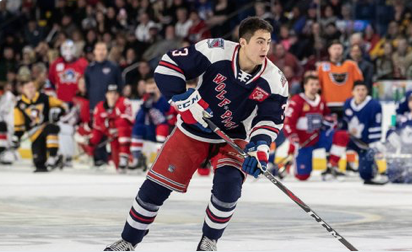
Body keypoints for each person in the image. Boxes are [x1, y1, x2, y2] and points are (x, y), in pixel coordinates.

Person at [104, 17, 288, 251]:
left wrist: (259, 147)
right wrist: (185, 101)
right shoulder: (215, 51)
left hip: (233, 137)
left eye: (268, 42)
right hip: (192, 131)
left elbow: (270, 119)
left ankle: (209, 241)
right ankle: (128, 240)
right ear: (242, 42)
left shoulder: (274, 79)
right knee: (156, 187)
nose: (265, 48)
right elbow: (167, 66)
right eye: (259, 41)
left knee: (229, 186)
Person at [325, 81, 385, 185]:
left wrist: (373, 143)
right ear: (352, 92)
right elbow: (344, 123)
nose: (360, 92)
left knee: (366, 175)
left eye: (363, 90)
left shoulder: (375, 105)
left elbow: (376, 125)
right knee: (339, 135)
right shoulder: (347, 103)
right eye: (358, 90)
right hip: (351, 140)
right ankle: (332, 166)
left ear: (367, 91)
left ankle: (372, 167)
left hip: (365, 144)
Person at [282, 75, 340, 181]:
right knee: (302, 176)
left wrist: (330, 120)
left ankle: (331, 167)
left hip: (317, 137)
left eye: (316, 84)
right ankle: (289, 167)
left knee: (340, 136)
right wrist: (293, 137)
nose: (314, 87)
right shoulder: (297, 101)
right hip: (303, 142)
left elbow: (328, 117)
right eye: (311, 84)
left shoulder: (321, 101)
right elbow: (288, 123)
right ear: (305, 86)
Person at [48, 40, 89, 167]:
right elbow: (50, 84)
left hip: (78, 103)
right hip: (60, 104)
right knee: (59, 127)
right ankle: (61, 154)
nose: (68, 52)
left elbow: (88, 83)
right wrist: (53, 102)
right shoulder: (56, 64)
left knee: (65, 126)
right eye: (65, 48)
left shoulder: (83, 63)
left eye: (70, 48)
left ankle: (67, 156)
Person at [13, 81, 67, 172]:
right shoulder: (19, 104)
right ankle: (57, 159)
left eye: (32, 87)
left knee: (51, 128)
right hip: (34, 135)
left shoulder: (44, 98)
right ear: (23, 90)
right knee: (39, 165)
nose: (30, 90)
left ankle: (53, 156)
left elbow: (63, 105)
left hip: (46, 129)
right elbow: (19, 123)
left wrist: (59, 111)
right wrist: (17, 136)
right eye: (28, 87)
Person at [129, 78, 174, 171]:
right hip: (149, 129)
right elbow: (138, 119)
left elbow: (169, 119)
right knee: (137, 128)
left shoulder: (165, 100)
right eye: (149, 89)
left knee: (162, 128)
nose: (152, 91)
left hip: (163, 130)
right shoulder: (145, 100)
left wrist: (155, 107)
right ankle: (136, 159)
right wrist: (145, 106)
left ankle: (159, 161)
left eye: (154, 88)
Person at [88, 84, 134, 171]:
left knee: (122, 124)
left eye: (115, 93)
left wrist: (111, 124)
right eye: (110, 93)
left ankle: (126, 157)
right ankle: (91, 157)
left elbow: (128, 120)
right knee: (117, 166)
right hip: (112, 137)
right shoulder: (99, 107)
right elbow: (97, 126)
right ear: (106, 94)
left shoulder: (124, 102)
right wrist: (107, 130)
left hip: (127, 135)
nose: (113, 96)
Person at [317, 40, 363, 119]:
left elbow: (359, 83)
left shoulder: (351, 65)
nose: (336, 51)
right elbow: (318, 85)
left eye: (339, 49)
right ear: (329, 50)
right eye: (334, 49)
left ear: (342, 50)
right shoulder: (322, 66)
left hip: (348, 103)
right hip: (328, 104)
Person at [84, 41, 124, 111]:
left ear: (106, 52)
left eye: (103, 49)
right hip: (94, 105)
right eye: (98, 49)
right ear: (94, 51)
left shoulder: (114, 67)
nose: (101, 52)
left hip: (111, 106)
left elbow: (120, 85)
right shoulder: (89, 68)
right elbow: (87, 87)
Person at [0, 83, 16, 164]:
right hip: (6, 124)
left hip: (8, 124)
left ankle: (1, 153)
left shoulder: (9, 96)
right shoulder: (3, 97)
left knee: (2, 126)